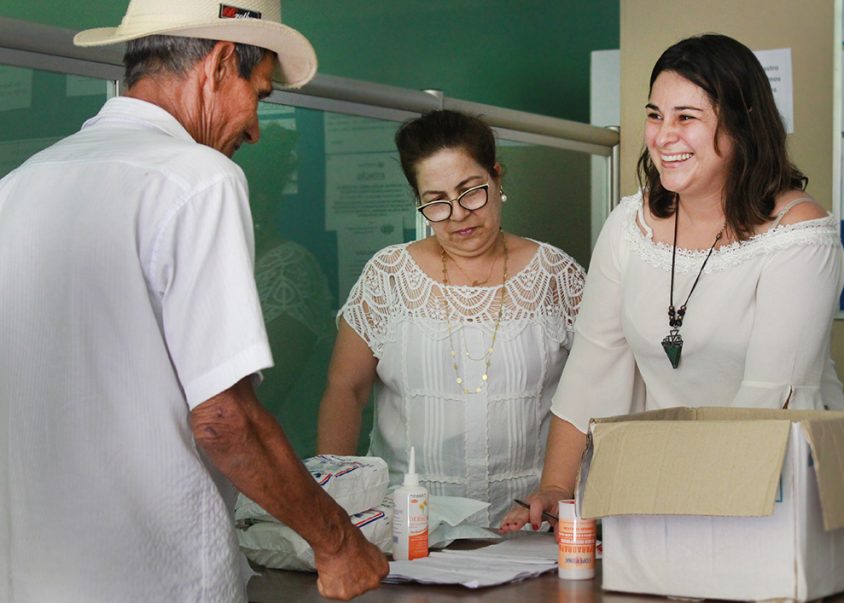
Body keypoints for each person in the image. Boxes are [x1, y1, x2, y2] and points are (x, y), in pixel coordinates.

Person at [0, 1, 388, 601]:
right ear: (220, 62)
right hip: (158, 581)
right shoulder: (199, 177)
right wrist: (337, 542)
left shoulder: (19, 186)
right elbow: (224, 420)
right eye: (259, 94)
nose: (257, 128)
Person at [501, 33, 844, 532]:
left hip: (773, 492)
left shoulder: (799, 236)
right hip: (661, 487)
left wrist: (676, 499)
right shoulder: (629, 224)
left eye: (686, 117)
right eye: (655, 115)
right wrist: (558, 487)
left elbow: (769, 400)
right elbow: (593, 364)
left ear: (742, 124)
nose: (664, 136)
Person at [317, 110, 586, 527]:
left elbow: (592, 391)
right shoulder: (389, 276)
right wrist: (334, 505)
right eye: (436, 202)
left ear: (497, 178)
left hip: (530, 519)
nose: (458, 214)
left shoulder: (555, 275)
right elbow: (345, 389)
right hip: (408, 523)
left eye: (470, 192)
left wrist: (560, 487)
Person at [237, 123, 337, 459]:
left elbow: (268, 389)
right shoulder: (235, 264)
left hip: (288, 457)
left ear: (258, 205)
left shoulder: (287, 269)